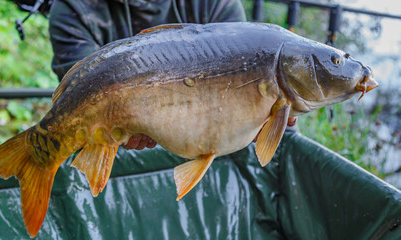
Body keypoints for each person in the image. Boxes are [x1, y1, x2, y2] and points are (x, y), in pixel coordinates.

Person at [48, 0, 296, 150]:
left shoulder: (216, 4)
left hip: (209, 141)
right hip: (109, 142)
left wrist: (253, 122)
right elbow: (77, 96)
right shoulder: (71, 8)